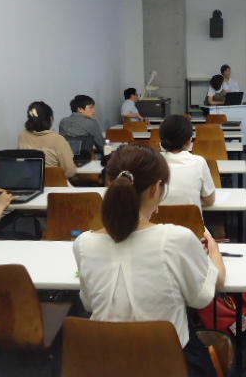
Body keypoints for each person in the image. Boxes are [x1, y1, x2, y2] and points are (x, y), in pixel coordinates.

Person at [73, 145, 225, 376]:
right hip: (167, 363)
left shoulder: (83, 244)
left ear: (109, 183)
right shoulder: (177, 239)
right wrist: (213, 251)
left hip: (103, 362)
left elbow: (89, 304)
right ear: (156, 188)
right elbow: (202, 297)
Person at [160, 115, 216, 210]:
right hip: (191, 220)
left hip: (157, 220)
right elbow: (210, 200)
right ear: (189, 141)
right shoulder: (199, 162)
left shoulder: (152, 161)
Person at [18, 101, 77, 178]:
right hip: (55, 183)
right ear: (51, 119)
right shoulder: (58, 139)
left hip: (29, 182)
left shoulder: (22, 136)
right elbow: (70, 171)